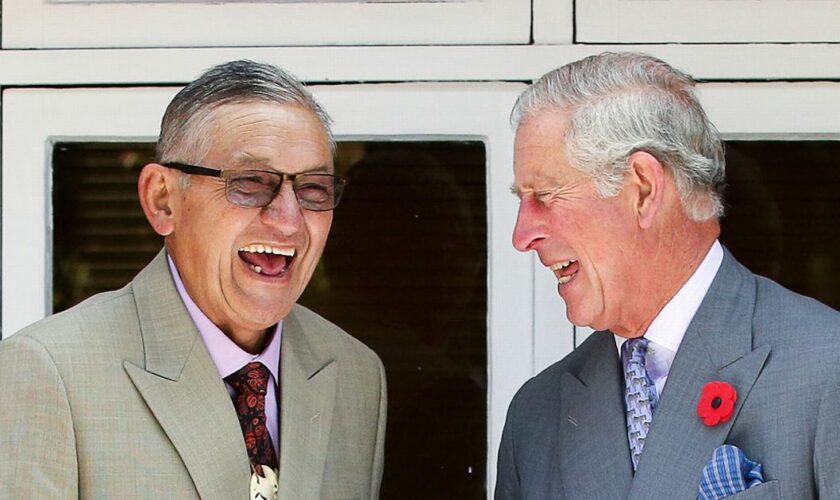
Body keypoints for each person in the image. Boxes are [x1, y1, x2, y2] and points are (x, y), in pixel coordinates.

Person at [0, 60, 385, 499]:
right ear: (162, 200)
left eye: (314, 189)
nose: (289, 221)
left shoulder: (357, 375)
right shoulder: (48, 372)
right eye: (251, 182)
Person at [496, 52, 840, 499]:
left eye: (544, 195)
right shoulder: (537, 413)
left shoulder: (825, 367)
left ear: (642, 188)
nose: (522, 236)